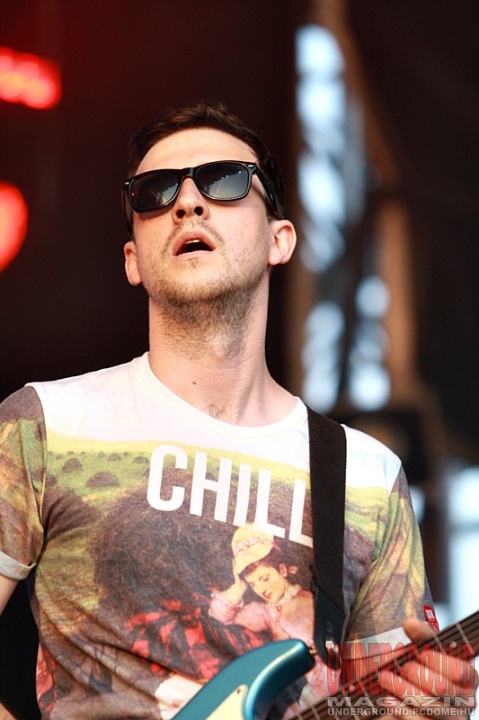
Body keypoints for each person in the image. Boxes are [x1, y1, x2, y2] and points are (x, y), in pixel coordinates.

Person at [0, 100, 476, 720]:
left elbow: (395, 708)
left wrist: (436, 705)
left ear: (280, 240)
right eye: (155, 192)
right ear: (132, 259)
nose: (187, 204)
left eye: (223, 182)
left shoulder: (366, 476)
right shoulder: (46, 425)